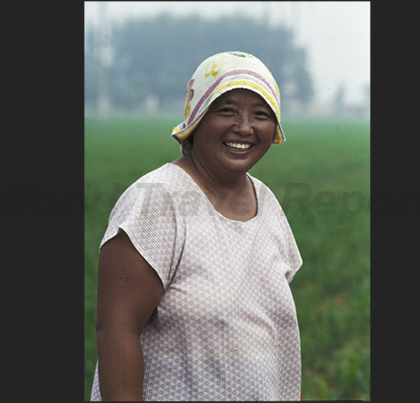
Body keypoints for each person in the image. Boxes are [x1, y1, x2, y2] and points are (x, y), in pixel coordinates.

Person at [90, 51, 303, 401]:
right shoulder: (158, 200)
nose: (245, 127)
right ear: (197, 117)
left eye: (261, 114)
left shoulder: (267, 204)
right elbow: (116, 329)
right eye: (227, 110)